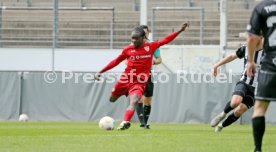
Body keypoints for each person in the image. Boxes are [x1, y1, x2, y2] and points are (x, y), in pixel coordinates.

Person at [95, 22, 189, 130]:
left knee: (134, 101)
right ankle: (121, 98)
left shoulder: (151, 46)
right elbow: (115, 61)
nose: (133, 41)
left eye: (136, 38)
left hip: (139, 82)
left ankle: (125, 122)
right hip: (125, 79)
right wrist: (101, 71)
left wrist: (180, 30)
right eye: (132, 38)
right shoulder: (128, 50)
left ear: (143, 38)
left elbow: (166, 40)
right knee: (112, 99)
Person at [210, 36, 263, 133]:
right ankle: (222, 114)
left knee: (239, 111)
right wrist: (216, 65)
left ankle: (221, 126)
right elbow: (231, 57)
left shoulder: (268, 52)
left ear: (261, 37)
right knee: (235, 102)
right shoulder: (246, 48)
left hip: (257, 89)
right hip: (244, 82)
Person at [246, 1, 276, 152]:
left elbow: (252, 38)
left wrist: (250, 61)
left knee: (259, 108)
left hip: (271, 64)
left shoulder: (261, 8)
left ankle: (258, 149)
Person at [135, 25, 162, 129]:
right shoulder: (135, 44)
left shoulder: (152, 45)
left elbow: (159, 59)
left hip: (148, 74)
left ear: (148, 33)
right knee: (139, 98)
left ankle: (145, 123)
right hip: (137, 74)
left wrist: (152, 62)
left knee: (148, 100)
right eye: (143, 32)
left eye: (146, 32)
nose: (145, 34)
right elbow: (126, 60)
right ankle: (143, 124)